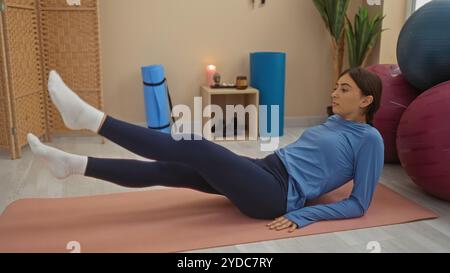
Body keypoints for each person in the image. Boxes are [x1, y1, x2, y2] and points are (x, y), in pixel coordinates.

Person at [27, 68, 384, 233]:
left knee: (193, 144)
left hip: (276, 195)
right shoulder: (335, 124)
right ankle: (73, 165)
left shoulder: (369, 140)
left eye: (345, 89)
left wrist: (302, 216)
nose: (334, 93)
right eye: (336, 86)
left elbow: (359, 203)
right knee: (170, 169)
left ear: (367, 100)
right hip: (265, 169)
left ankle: (92, 120)